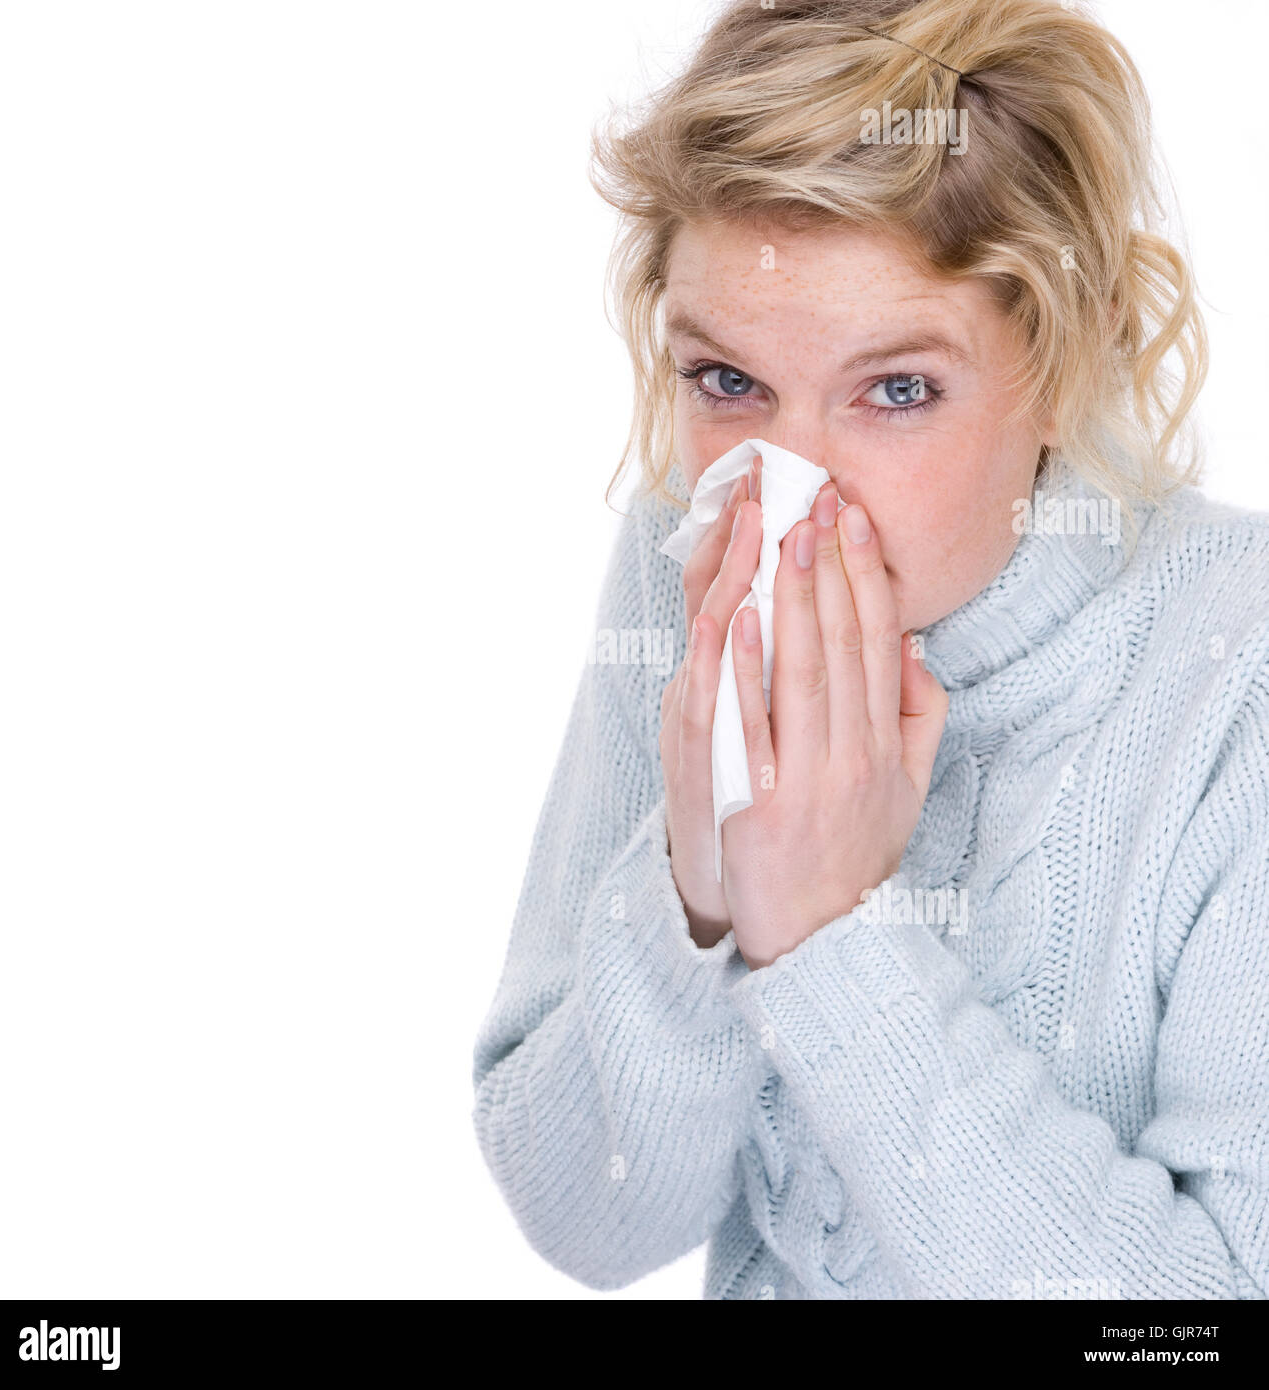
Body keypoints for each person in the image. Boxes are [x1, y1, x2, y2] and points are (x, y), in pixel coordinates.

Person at [472, 0, 1269, 1299]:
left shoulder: (1238, 662)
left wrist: (832, 939)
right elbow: (588, 1223)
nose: (793, 498)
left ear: (1071, 353)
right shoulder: (689, 554)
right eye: (728, 382)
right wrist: (699, 888)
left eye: (897, 390)